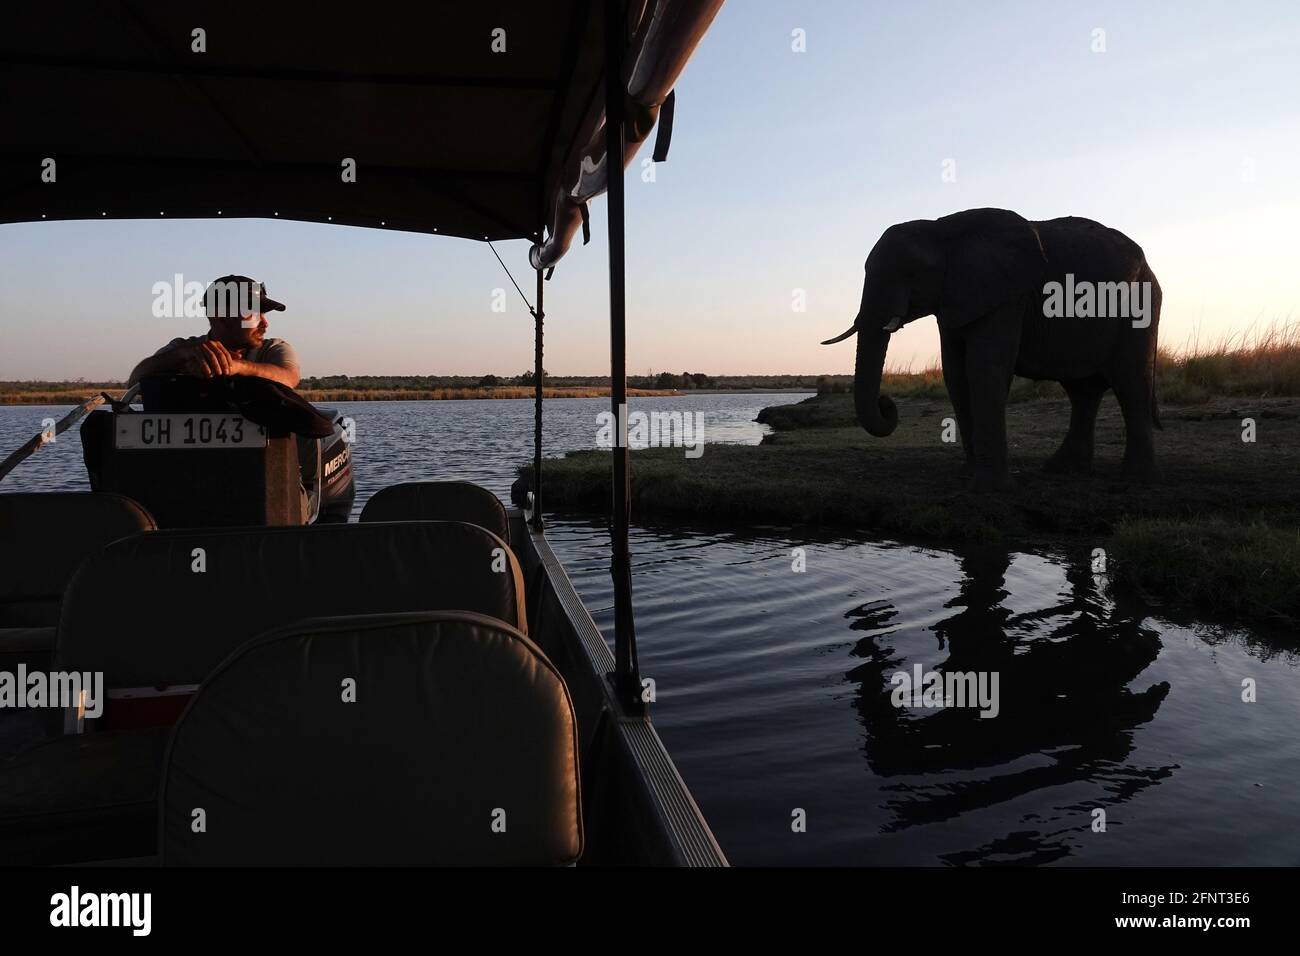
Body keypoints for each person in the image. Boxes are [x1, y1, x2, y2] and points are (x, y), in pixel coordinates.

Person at [128, 275, 299, 388]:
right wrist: (181, 357)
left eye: (263, 313)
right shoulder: (182, 348)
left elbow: (288, 377)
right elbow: (136, 381)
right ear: (221, 317)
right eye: (253, 313)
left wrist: (237, 367)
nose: (264, 323)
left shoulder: (273, 349)